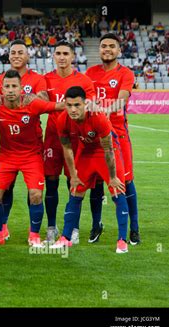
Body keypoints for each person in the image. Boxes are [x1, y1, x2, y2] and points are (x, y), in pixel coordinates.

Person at [0, 70, 64, 246]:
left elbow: (57, 106)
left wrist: (85, 104)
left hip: (31, 157)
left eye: (14, 86)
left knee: (36, 195)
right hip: (6, 156)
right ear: (1, 89)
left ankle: (34, 236)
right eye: (7, 86)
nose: (10, 90)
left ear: (21, 88)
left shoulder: (33, 104)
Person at [50, 86, 130, 254]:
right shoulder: (62, 119)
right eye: (69, 105)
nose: (73, 109)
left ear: (86, 104)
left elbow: (108, 150)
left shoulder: (98, 118)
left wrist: (113, 177)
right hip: (86, 152)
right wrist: (73, 175)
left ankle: (122, 240)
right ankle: (65, 238)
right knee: (75, 190)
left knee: (117, 190)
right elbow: (67, 149)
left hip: (105, 151)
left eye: (77, 105)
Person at [0, 39, 49, 240]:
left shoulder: (38, 79)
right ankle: (2, 228)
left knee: (35, 191)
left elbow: (45, 100)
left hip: (32, 147)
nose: (16, 56)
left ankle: (35, 234)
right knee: (5, 188)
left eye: (20, 52)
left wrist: (36, 98)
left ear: (27, 56)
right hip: (8, 148)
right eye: (12, 52)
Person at [86, 33, 140, 244]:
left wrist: (104, 110)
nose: (107, 49)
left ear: (119, 50)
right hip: (96, 135)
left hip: (119, 134)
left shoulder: (125, 73)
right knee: (96, 180)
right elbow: (87, 100)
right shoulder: (90, 73)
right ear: (99, 50)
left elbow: (121, 100)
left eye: (111, 46)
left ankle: (134, 228)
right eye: (103, 46)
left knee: (126, 180)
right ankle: (96, 224)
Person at [43, 41, 96, 243]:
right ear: (53, 56)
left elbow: (90, 104)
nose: (62, 57)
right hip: (52, 139)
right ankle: (51, 227)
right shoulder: (45, 79)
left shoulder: (84, 80)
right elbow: (39, 102)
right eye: (58, 53)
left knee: (73, 182)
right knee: (51, 183)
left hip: (75, 139)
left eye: (66, 53)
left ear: (73, 56)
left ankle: (72, 228)